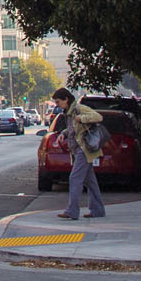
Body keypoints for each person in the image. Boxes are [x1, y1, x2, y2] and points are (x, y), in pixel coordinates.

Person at [49, 88, 106, 221]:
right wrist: (63, 134)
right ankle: (97, 210)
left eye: (58, 102)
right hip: (77, 150)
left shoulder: (79, 109)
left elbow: (98, 117)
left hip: (84, 149)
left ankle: (72, 211)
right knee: (90, 181)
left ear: (66, 99)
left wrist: (83, 118)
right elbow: (72, 129)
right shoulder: (68, 113)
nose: (57, 105)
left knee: (75, 178)